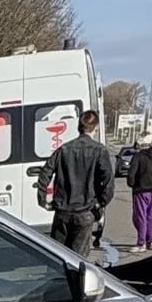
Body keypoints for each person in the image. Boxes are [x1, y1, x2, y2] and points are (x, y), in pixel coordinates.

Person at [36, 109, 114, 257]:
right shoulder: (100, 151)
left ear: (79, 127)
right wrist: (100, 203)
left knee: (57, 258)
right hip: (85, 212)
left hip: (62, 212)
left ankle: (60, 280)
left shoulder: (64, 149)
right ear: (96, 128)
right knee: (78, 261)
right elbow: (108, 182)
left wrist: (43, 200)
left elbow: (45, 172)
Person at [126, 133, 152, 252]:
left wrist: (132, 183)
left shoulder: (138, 157)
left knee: (140, 216)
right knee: (151, 215)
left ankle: (141, 242)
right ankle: (151, 240)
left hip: (141, 190)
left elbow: (131, 174)